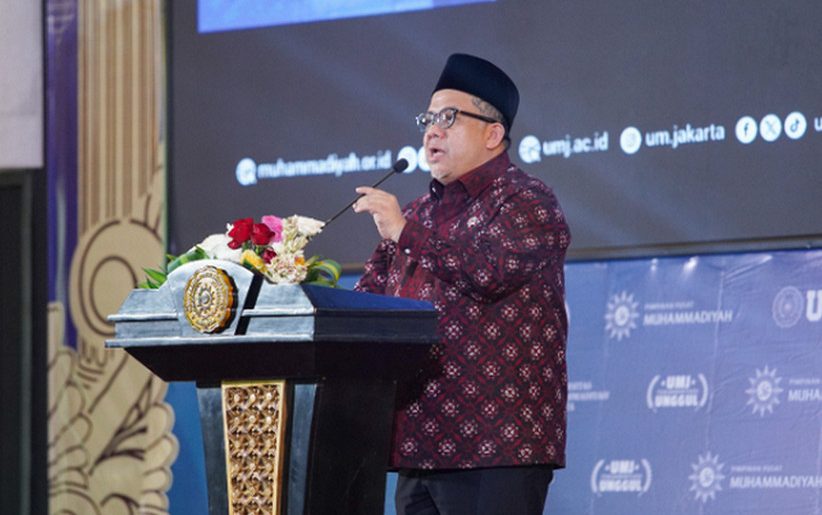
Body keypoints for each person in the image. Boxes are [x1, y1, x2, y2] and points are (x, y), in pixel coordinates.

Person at [353, 53, 570, 515]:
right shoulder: (415, 213)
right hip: (417, 445)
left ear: (493, 134)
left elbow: (490, 272)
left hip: (495, 448)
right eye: (428, 120)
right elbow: (366, 301)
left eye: (447, 118)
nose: (431, 132)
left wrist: (405, 233)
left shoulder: (528, 200)